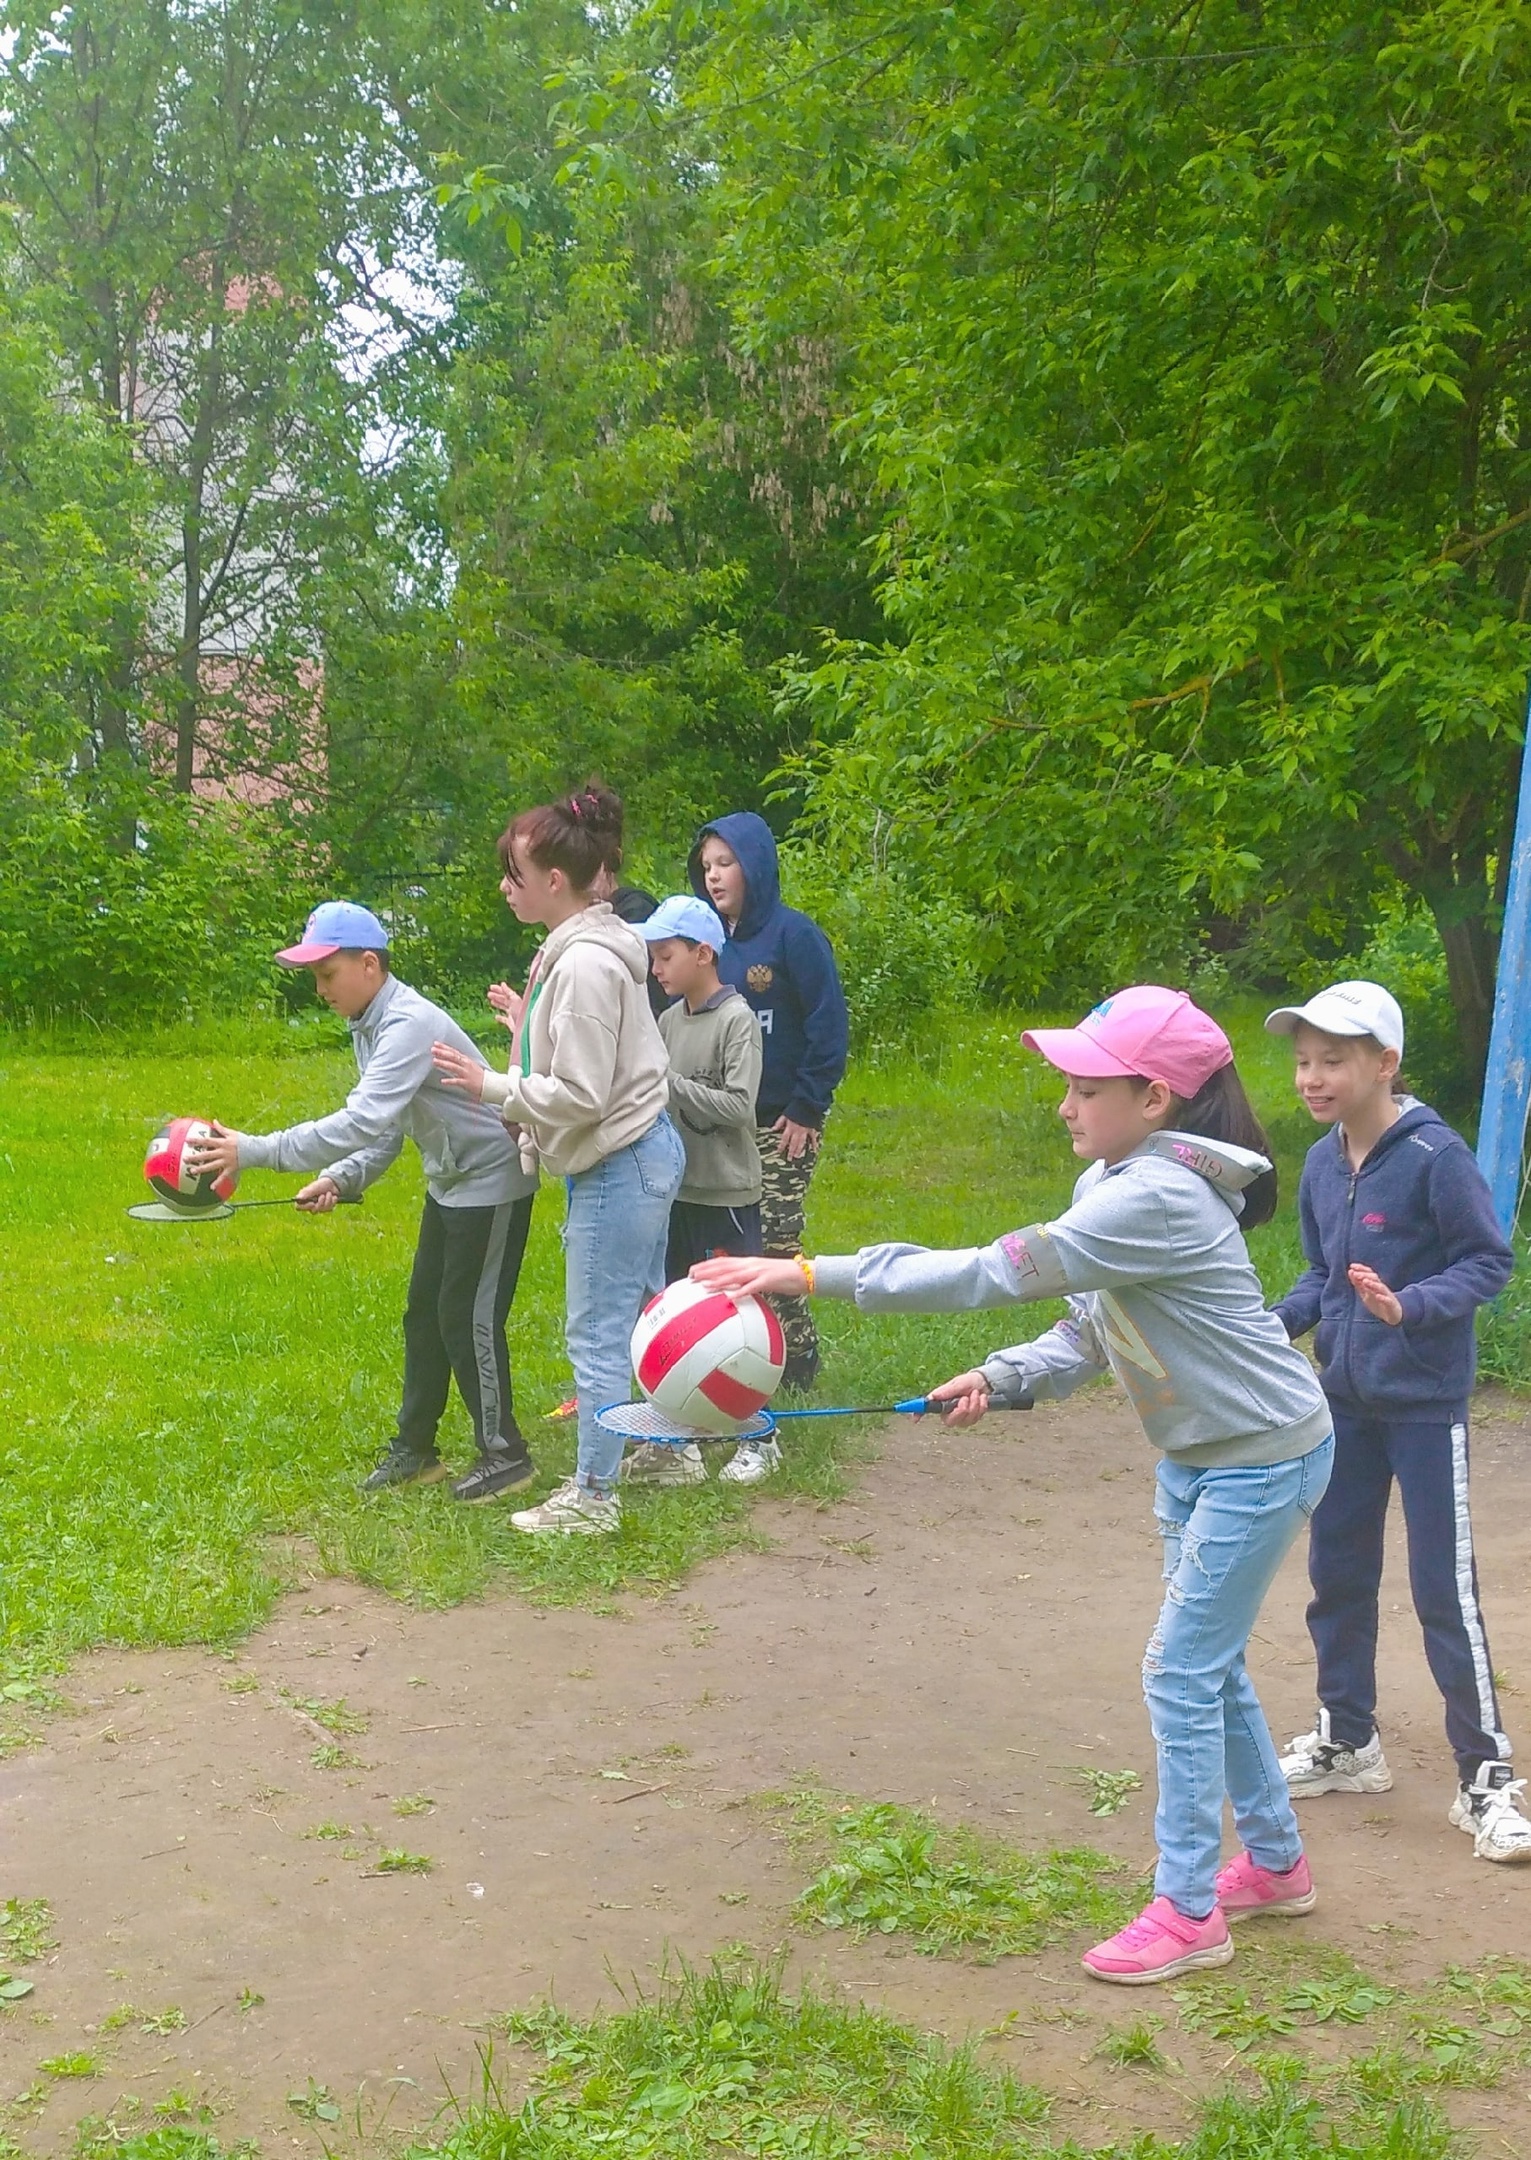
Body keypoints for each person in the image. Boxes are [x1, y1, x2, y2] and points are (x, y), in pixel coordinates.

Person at [694, 986, 1335, 1984]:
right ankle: (1278, 1865)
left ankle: (1188, 1907)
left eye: (1084, 1088)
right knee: (1209, 1667)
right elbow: (1086, 1327)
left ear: (1155, 1099)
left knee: (1180, 1670)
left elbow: (992, 1271)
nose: (1063, 1106)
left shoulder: (1154, 1197)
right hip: (1205, 1455)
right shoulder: (1116, 1184)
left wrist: (810, 1272)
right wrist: (1003, 1377)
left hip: (1262, 1455)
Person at [1265, 980, 1528, 1862]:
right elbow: (1319, 1277)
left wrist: (1407, 1308)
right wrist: (1266, 1329)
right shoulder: (1317, 1163)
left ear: (1384, 1063)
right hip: (1339, 1404)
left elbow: (1486, 1262)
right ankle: (1348, 1739)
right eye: (1303, 1060)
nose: (1312, 1076)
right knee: (1335, 1572)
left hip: (1422, 1408)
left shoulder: (1434, 1158)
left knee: (1438, 1590)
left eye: (1333, 1059)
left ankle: (1485, 1777)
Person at [185, 902, 539, 1502]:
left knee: (466, 1317)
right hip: (452, 1180)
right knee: (423, 1314)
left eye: (327, 975)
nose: (320, 989)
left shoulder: (405, 1024)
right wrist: (342, 1179)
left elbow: (361, 1119)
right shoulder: (369, 1024)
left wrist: (255, 1151)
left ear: (369, 964)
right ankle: (416, 1452)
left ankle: (506, 1455)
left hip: (493, 1180)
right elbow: (386, 1127)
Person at [431, 785, 685, 1536]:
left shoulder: (582, 965)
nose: (504, 887)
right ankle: (667, 1449)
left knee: (599, 1333)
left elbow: (576, 1094)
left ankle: (593, 1497)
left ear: (553, 881)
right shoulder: (581, 950)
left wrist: (490, 1087)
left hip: (617, 1165)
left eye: (513, 873)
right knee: (640, 1317)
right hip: (637, 1156)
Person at [688, 813, 847, 1412]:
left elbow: (828, 1026)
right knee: (727, 1249)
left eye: (725, 863)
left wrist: (807, 1105)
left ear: (755, 864)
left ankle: (798, 1360)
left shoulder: (793, 936)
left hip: (780, 1121)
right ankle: (735, 1353)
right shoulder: (707, 942)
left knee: (775, 1246)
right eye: (706, 867)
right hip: (717, 1124)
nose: (714, 876)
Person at [621, 893, 764, 1491]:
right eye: (652, 957)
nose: (656, 969)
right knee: (681, 1321)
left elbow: (740, 1106)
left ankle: (759, 1436)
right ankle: (679, 1440)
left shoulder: (738, 1021)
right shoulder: (667, 1021)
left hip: (727, 1197)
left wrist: (670, 1084)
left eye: (664, 955)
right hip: (677, 1194)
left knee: (738, 1326)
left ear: (703, 954)